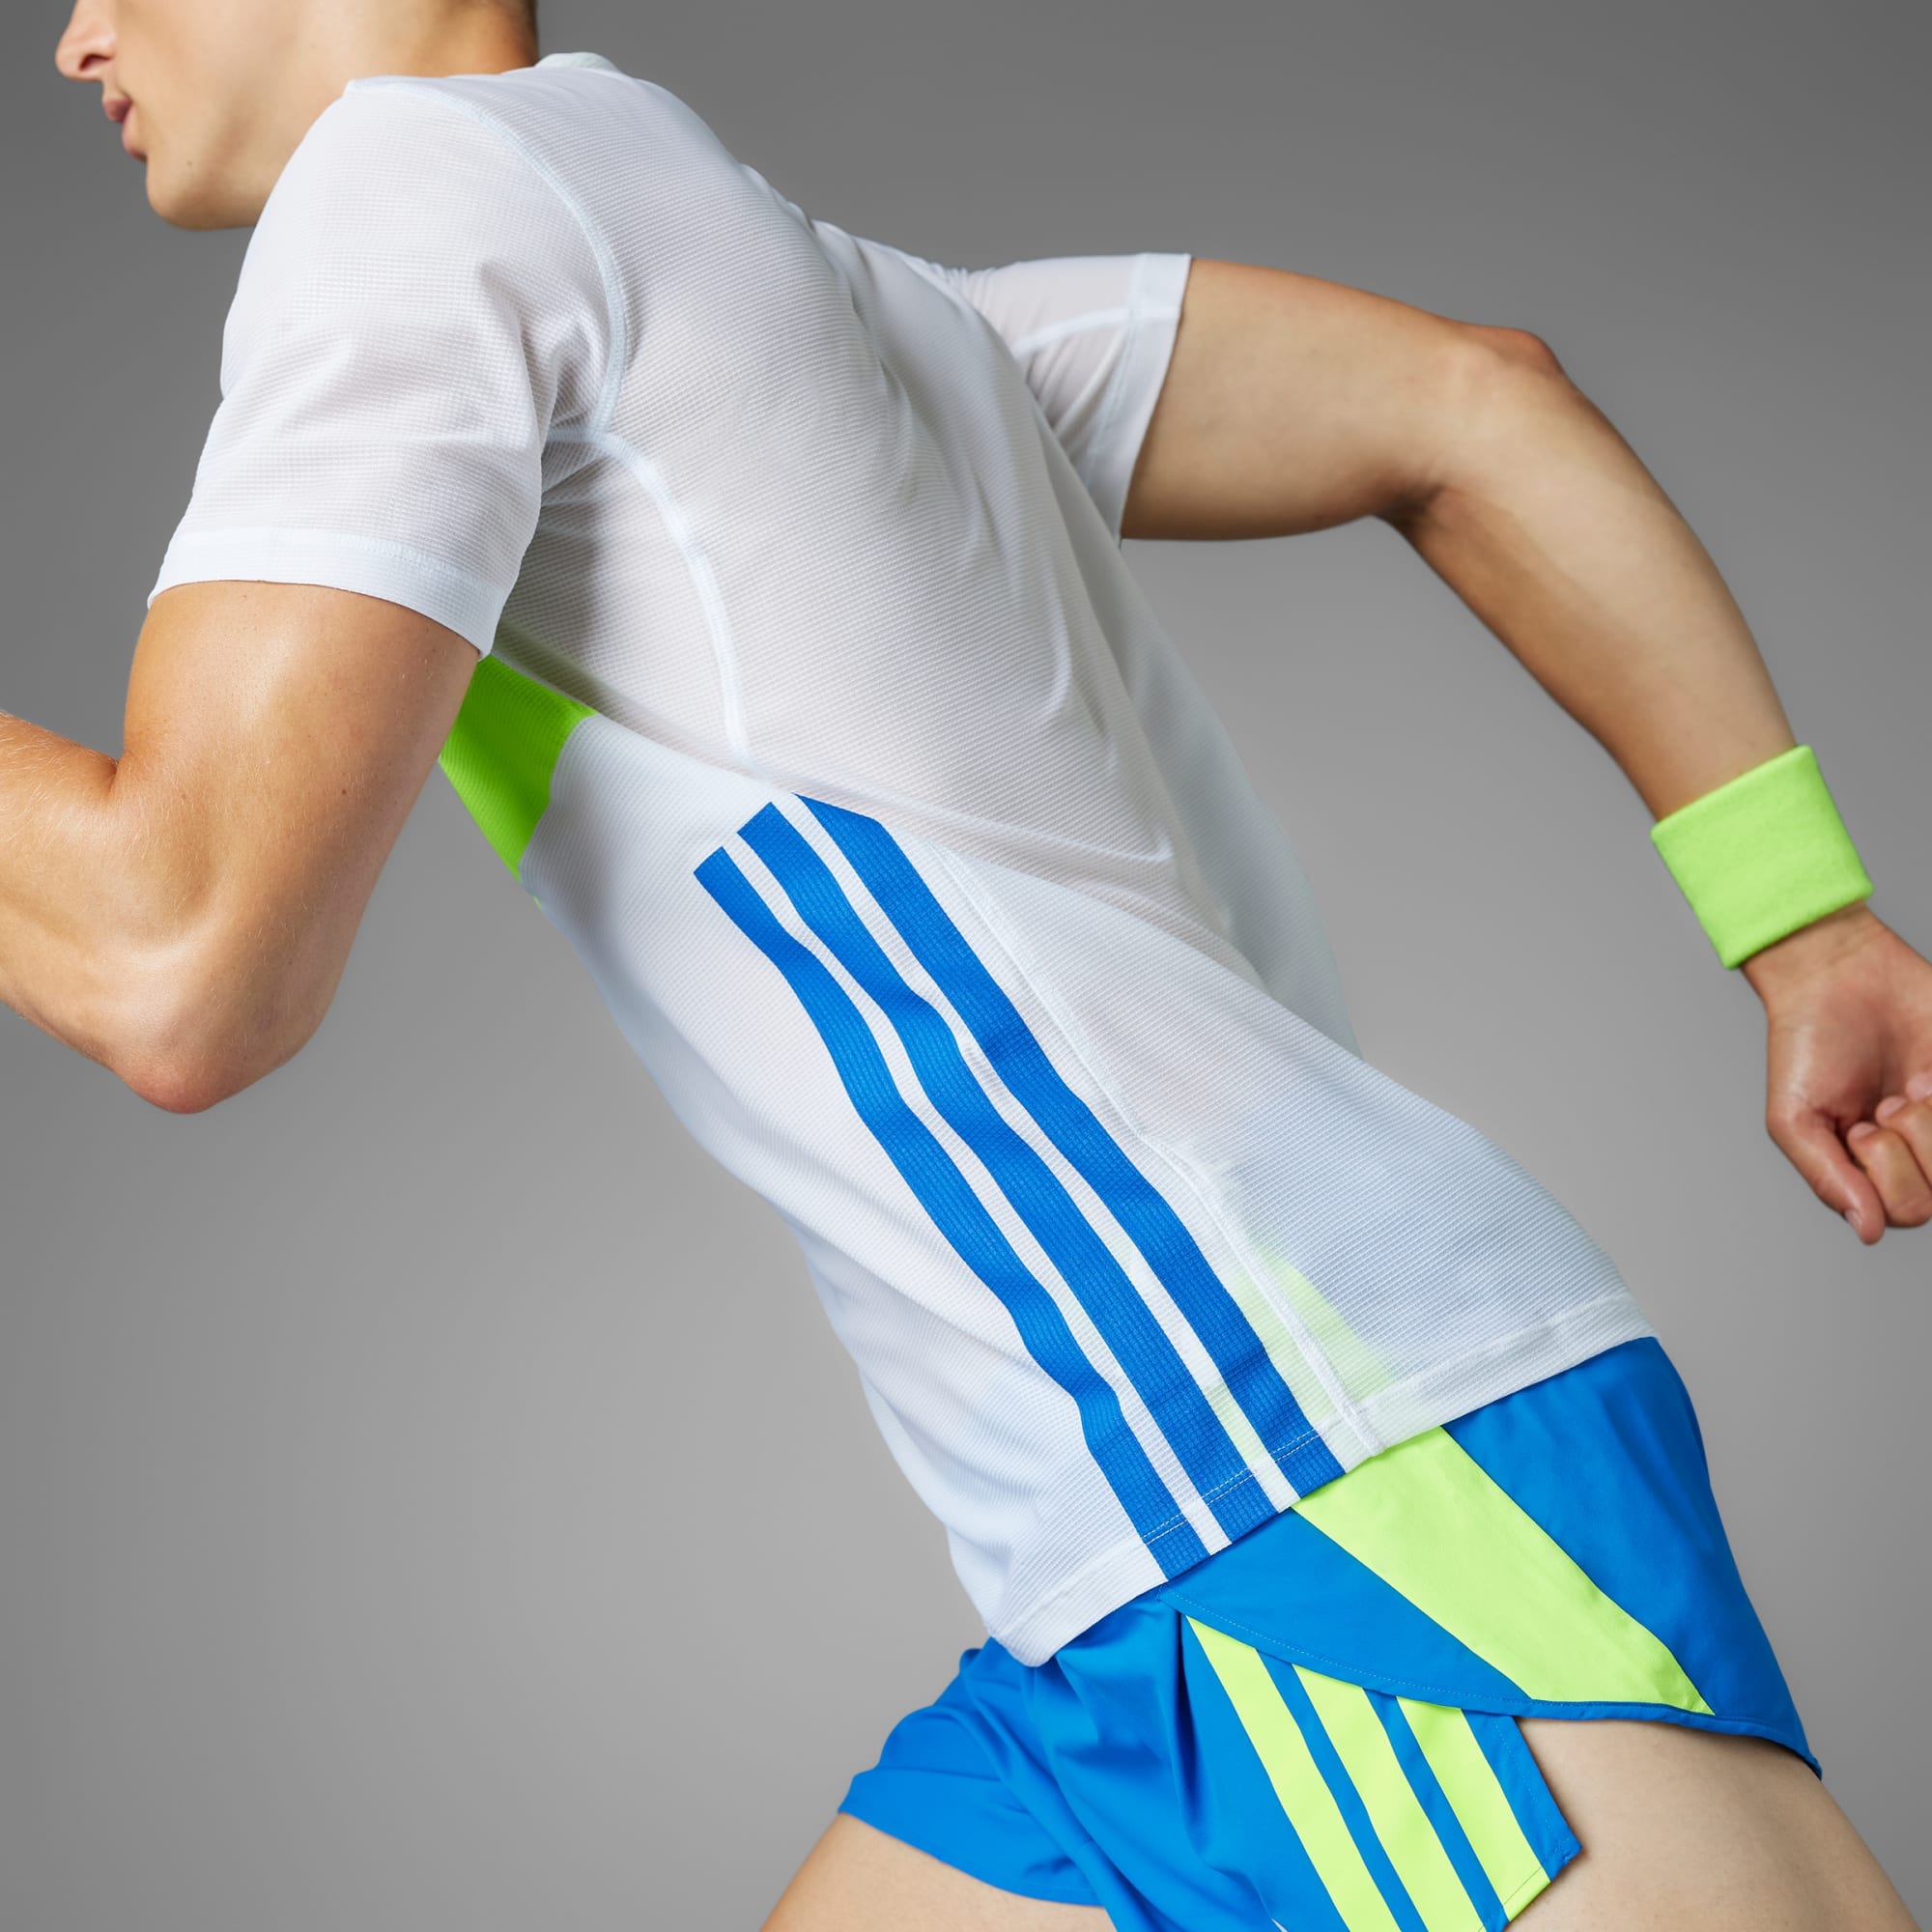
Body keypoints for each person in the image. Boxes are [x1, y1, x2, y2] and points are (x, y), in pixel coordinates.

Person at [26, 3, 1924, 1926]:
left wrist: (1806, 936)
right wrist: (1801, 923)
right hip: (1130, 1541)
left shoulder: (418, 189)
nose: (76, 40)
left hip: (1292, 1464)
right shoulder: (831, 301)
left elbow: (179, 958)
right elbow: (1470, 406)